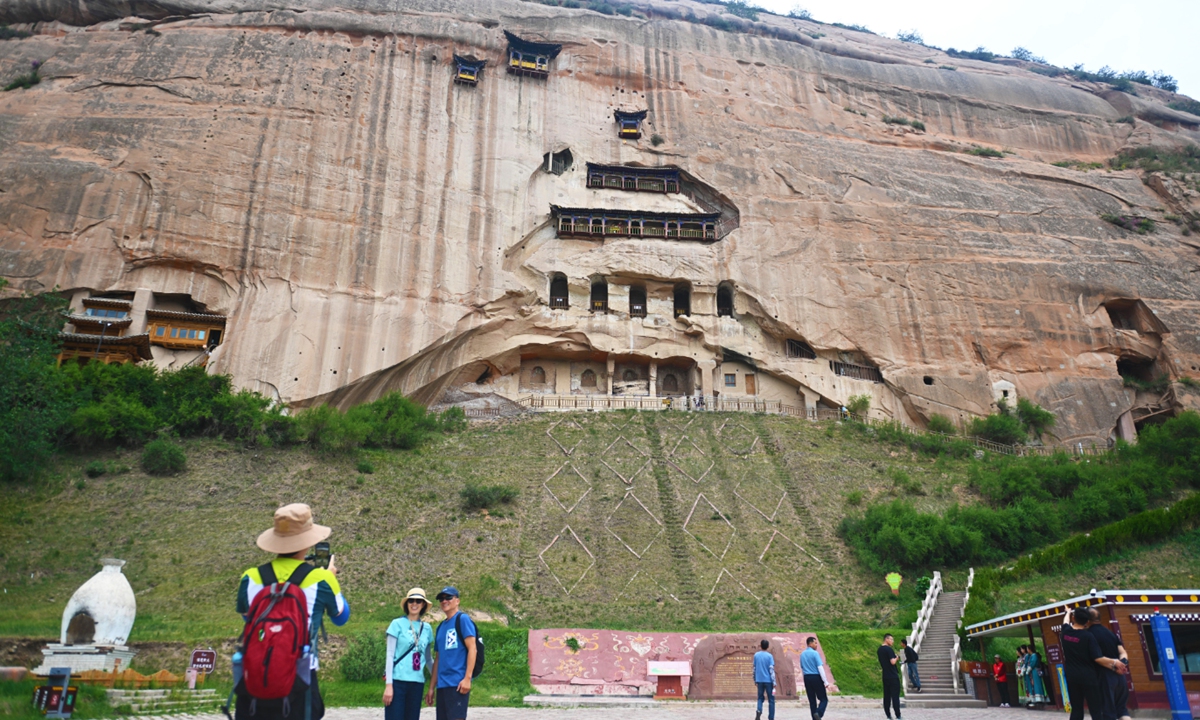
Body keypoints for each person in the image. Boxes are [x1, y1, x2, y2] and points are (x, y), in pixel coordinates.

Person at [234, 503, 350, 720]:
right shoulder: (322, 579)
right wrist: (331, 578)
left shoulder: (250, 577)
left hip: (255, 679)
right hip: (300, 679)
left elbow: (246, 617)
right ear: (308, 541)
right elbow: (341, 617)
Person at [1062, 607, 1127, 720]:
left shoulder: (1065, 632)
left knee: (1077, 709)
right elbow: (1098, 657)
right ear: (1087, 621)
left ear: (1073, 618)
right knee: (1096, 710)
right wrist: (1115, 662)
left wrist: (1067, 612)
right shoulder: (1088, 636)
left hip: (1072, 675)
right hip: (1089, 677)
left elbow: (1065, 621)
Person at [426, 587, 477, 720]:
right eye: (441, 599)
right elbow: (438, 659)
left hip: (457, 684)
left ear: (457, 600)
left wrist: (467, 679)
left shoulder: (463, 619)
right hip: (442, 685)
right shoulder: (441, 627)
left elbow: (473, 648)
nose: (444, 601)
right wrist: (432, 687)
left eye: (448, 597)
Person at [384, 588, 433, 720]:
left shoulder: (427, 629)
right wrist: (389, 686)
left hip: (417, 683)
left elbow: (428, 659)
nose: (414, 604)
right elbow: (389, 655)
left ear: (423, 605)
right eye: (411, 600)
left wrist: (438, 680)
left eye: (418, 601)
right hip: (398, 682)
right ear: (407, 603)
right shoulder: (396, 624)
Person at [1088, 607, 1132, 720]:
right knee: (1122, 710)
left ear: (1087, 620)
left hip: (1103, 676)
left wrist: (1114, 665)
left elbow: (1097, 658)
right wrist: (1122, 664)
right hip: (1120, 677)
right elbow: (1123, 652)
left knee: (1108, 712)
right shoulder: (1110, 633)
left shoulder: (1088, 635)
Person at [800, 636, 831, 720]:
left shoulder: (802, 654)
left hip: (807, 677)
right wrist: (825, 681)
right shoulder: (815, 653)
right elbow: (820, 668)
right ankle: (819, 713)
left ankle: (814, 718)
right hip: (816, 677)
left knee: (812, 701)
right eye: (815, 643)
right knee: (823, 699)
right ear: (810, 643)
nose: (816, 644)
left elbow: (802, 668)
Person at [878, 633, 902, 720]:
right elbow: (892, 662)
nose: (892, 641)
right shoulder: (889, 650)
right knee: (895, 696)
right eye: (891, 639)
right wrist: (897, 657)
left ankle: (888, 715)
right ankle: (898, 715)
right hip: (893, 676)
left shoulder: (879, 650)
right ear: (886, 639)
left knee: (887, 696)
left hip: (885, 675)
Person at [753, 639, 776, 720]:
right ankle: (771, 717)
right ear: (768, 646)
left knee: (760, 697)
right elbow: (771, 669)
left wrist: (755, 679)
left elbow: (754, 668)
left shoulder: (756, 655)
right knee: (771, 700)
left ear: (760, 645)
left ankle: (759, 710)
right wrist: (774, 682)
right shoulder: (770, 656)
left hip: (759, 680)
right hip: (769, 681)